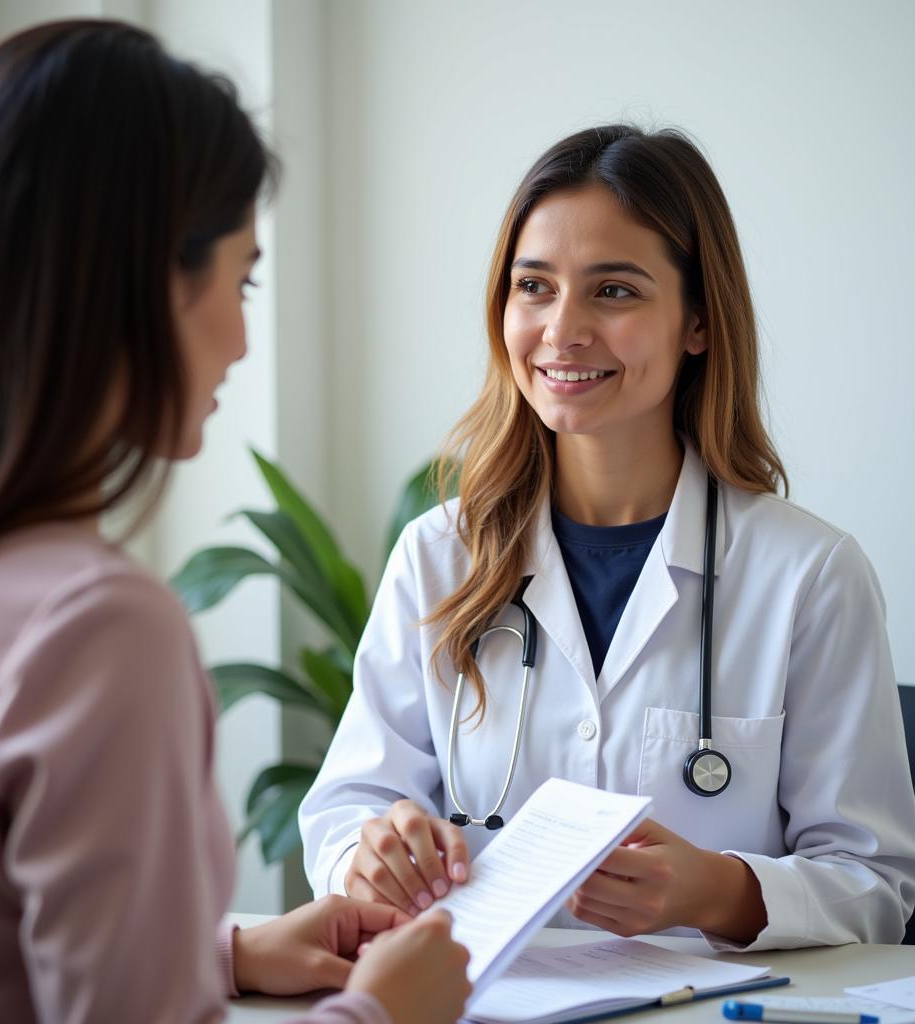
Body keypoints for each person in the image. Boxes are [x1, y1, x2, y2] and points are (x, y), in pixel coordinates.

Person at [0, 19, 471, 1024]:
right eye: (239, 279)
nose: (245, 339)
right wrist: (385, 1013)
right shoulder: (92, 627)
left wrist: (224, 949)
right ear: (136, 276)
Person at [299, 125, 915, 950]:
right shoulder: (438, 555)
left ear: (697, 321)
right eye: (534, 287)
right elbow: (345, 811)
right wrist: (366, 858)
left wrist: (719, 890)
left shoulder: (808, 575)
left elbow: (875, 886)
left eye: (614, 291)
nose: (563, 329)